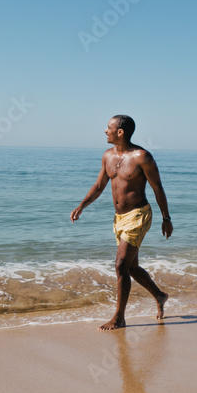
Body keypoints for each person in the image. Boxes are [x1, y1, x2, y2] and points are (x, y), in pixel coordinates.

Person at [70, 115, 172, 330]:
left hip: (138, 215)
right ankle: (160, 295)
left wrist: (166, 218)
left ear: (120, 132)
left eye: (109, 127)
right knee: (131, 267)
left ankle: (119, 318)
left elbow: (157, 188)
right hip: (119, 219)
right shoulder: (107, 156)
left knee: (120, 265)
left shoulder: (142, 157)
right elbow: (99, 186)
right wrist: (81, 206)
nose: (105, 131)